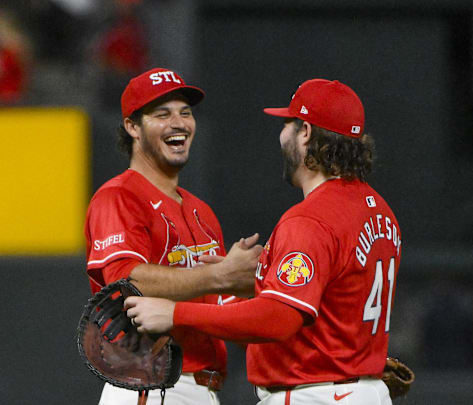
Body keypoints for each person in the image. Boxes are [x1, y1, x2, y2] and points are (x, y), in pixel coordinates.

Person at [125, 78, 402, 405]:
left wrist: (175, 313)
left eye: (287, 123)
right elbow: (330, 301)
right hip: (362, 389)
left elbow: (278, 319)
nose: (281, 133)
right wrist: (247, 283)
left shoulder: (310, 219)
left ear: (306, 133)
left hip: (316, 394)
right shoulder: (381, 212)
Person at [84, 67, 262, 404]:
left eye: (185, 112)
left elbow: (224, 307)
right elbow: (125, 280)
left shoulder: (202, 212)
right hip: (152, 384)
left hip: (202, 387)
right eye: (162, 114)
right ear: (132, 126)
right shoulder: (119, 196)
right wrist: (221, 275)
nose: (178, 122)